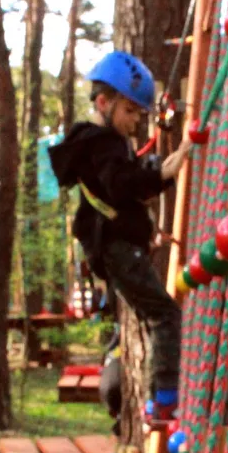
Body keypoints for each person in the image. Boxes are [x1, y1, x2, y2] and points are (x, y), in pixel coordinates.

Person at [48, 51, 192, 425]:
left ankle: (157, 402)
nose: (135, 122)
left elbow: (118, 199)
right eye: (130, 112)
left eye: (139, 114)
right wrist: (165, 172)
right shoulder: (102, 143)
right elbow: (122, 184)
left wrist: (145, 233)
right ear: (103, 103)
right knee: (165, 317)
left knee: (156, 315)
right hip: (115, 251)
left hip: (116, 248)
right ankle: (162, 403)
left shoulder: (100, 144)